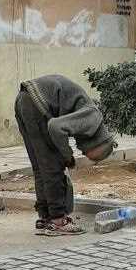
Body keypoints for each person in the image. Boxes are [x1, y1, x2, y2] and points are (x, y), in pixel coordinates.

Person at [14, 74, 116, 235]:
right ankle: (58, 221)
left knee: (40, 167)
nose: (84, 153)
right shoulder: (93, 117)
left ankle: (45, 218)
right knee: (53, 166)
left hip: (23, 99)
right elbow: (55, 126)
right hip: (37, 103)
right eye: (89, 154)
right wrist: (66, 155)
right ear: (98, 142)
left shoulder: (88, 120)